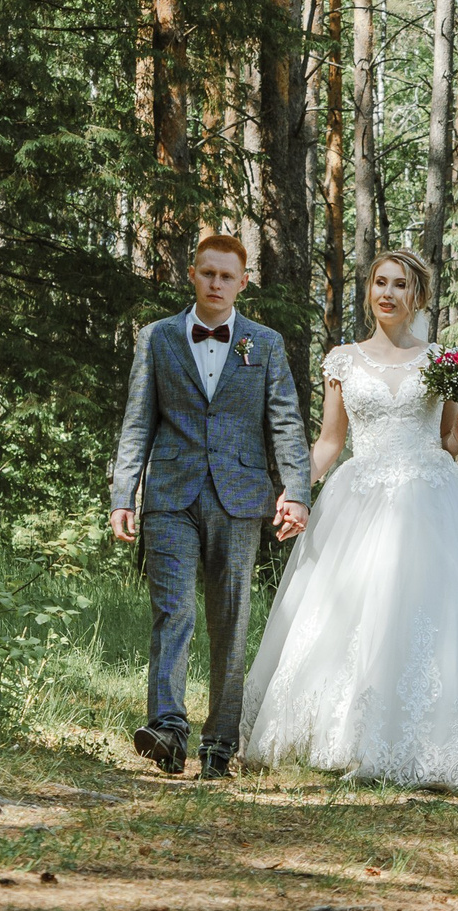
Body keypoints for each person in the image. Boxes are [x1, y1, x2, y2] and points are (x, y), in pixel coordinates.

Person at [240, 249, 458, 795]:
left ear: (417, 296)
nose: (386, 292)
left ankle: (442, 744)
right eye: (379, 282)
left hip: (430, 498)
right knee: (351, 613)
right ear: (369, 292)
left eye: (399, 284)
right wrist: (294, 490)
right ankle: (345, 736)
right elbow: (330, 443)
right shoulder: (342, 359)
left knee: (435, 617)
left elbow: (451, 443)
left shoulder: (441, 360)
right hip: (358, 497)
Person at [108, 234, 312, 779]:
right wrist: (122, 494)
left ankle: (219, 744)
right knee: (173, 610)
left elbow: (286, 423)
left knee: (230, 619)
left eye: (227, 276)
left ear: (243, 283)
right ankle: (168, 730)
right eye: (208, 274)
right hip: (169, 496)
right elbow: (137, 420)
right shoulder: (158, 338)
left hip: (240, 497)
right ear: (193, 276)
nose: (217, 284)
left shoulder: (265, 344)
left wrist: (295, 490)